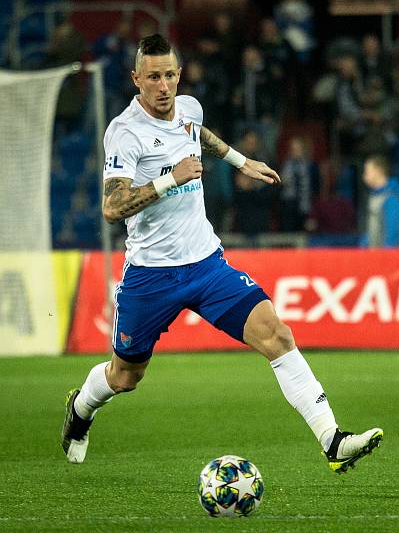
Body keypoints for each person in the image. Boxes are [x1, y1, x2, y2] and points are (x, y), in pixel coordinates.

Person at [61, 34, 382, 474]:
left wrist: (240, 161)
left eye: (170, 75)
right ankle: (80, 409)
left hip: (207, 264)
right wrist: (168, 180)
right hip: (151, 274)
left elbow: (199, 135)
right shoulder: (124, 132)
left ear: (179, 74)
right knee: (125, 377)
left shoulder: (189, 108)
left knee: (277, 334)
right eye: (152, 77)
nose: (163, 85)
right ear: (136, 79)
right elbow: (111, 207)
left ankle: (332, 438)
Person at [359, 154, 399, 248]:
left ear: (378, 171)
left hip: (388, 258)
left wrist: (386, 257)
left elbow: (393, 236)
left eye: (367, 171)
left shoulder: (392, 198)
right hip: (375, 255)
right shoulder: (374, 196)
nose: (364, 176)